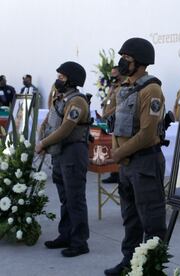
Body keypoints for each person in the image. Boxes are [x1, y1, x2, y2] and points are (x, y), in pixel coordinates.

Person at [104, 37, 167, 276]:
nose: (122, 62)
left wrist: (118, 153)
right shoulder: (125, 86)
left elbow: (148, 134)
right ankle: (129, 263)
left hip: (145, 163)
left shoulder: (152, 90)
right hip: (128, 166)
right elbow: (112, 120)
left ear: (140, 62)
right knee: (131, 219)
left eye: (127, 58)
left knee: (151, 221)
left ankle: (151, 269)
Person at [35, 61, 90, 258]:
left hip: (73, 153)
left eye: (61, 77)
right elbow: (50, 122)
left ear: (71, 79)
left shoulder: (77, 102)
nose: (58, 80)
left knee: (75, 198)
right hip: (60, 153)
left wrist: (43, 144)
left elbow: (66, 129)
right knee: (65, 198)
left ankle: (79, 241)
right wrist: (44, 141)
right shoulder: (61, 99)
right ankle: (66, 234)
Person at [101, 66, 125, 184]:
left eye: (115, 75)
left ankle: (118, 173)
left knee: (117, 146)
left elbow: (120, 105)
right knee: (112, 146)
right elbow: (107, 102)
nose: (112, 77)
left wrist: (107, 114)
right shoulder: (113, 88)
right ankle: (113, 173)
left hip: (117, 120)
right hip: (109, 121)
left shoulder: (123, 88)